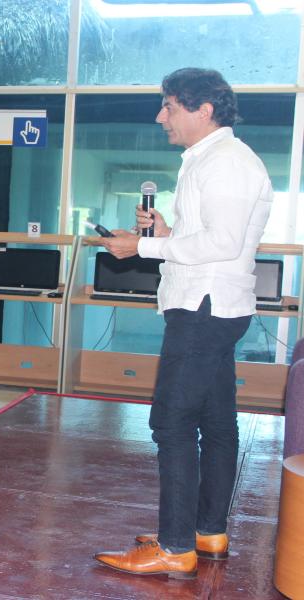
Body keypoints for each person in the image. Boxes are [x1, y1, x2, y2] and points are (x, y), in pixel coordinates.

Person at [93, 68, 273, 579]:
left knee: (171, 424)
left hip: (205, 308)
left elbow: (224, 245)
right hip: (209, 304)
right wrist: (169, 232)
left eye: (169, 106)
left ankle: (174, 547)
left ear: (204, 110)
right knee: (216, 424)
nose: (160, 116)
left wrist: (143, 246)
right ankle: (205, 531)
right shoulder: (210, 160)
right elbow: (209, 237)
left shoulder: (227, 163)